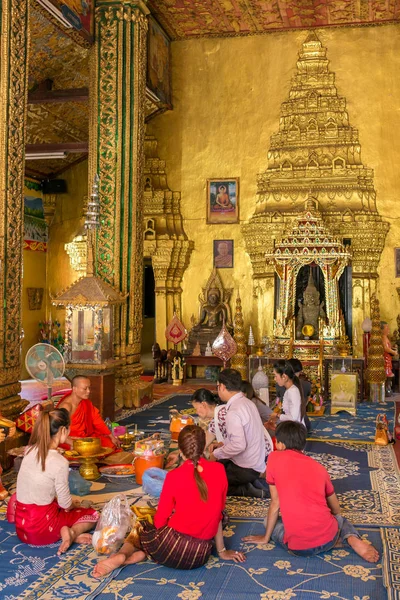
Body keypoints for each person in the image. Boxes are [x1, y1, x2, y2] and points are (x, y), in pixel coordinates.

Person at [92, 425, 245, 578]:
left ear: (180, 449)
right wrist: (222, 551)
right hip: (199, 556)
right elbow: (217, 512)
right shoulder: (218, 469)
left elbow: (160, 521)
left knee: (141, 526)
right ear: (203, 446)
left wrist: (158, 531)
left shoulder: (174, 476)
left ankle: (121, 555)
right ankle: (138, 555)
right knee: (222, 515)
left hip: (171, 547)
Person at [243, 421, 379, 563]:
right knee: (340, 520)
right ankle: (350, 539)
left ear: (280, 444)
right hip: (327, 538)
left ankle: (330, 540)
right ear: (303, 445)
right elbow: (336, 509)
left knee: (268, 521)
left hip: (298, 548)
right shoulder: (319, 468)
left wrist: (265, 538)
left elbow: (275, 504)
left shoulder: (274, 458)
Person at [10, 407, 99, 555]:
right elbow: (65, 504)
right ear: (63, 430)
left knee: (54, 503)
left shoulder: (29, 451)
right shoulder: (60, 462)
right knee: (92, 514)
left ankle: (65, 531)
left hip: (22, 527)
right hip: (42, 530)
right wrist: (73, 504)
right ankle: (71, 533)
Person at [210, 369, 268, 498]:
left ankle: (246, 490)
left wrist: (215, 454)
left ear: (223, 387)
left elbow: (239, 445)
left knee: (209, 481)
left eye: (218, 386)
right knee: (220, 465)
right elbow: (244, 435)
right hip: (256, 462)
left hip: (246, 467)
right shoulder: (248, 402)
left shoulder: (234, 411)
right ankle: (250, 483)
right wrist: (222, 444)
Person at [58, 376, 119, 449]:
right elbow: (58, 431)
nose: (88, 391)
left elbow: (97, 420)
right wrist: (76, 445)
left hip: (84, 437)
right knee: (93, 450)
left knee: (110, 444)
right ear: (74, 389)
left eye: (89, 388)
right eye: (85, 389)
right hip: (67, 441)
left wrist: (111, 436)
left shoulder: (86, 403)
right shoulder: (66, 406)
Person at [269, 361, 305, 427]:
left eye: (275, 376)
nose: (275, 379)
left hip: (295, 430)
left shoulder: (292, 391)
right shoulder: (289, 390)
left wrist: (277, 415)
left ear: (284, 377)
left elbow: (293, 418)